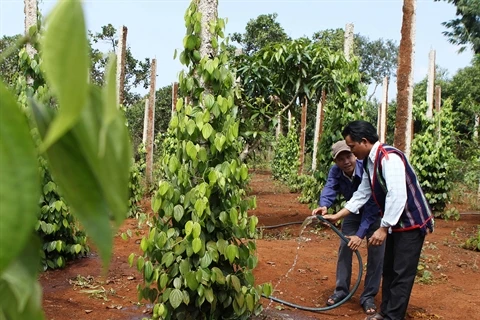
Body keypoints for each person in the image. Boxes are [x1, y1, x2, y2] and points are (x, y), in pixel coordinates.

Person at [321, 120, 434, 320]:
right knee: (389, 269)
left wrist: (383, 228)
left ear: (364, 141)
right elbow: (363, 193)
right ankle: (385, 312)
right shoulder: (369, 163)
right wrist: (338, 215)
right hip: (395, 223)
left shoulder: (389, 158)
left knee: (401, 273)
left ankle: (392, 316)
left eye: (352, 147)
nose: (352, 153)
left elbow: (397, 196)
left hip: (410, 223)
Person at [311, 140, 384, 315]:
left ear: (354, 155)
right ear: (336, 162)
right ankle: (341, 291)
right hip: (351, 213)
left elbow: (372, 203)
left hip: (375, 213)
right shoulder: (336, 171)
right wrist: (324, 205)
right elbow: (330, 188)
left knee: (376, 252)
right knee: (345, 247)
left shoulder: (367, 168)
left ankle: (368, 296)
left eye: (348, 156)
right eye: (340, 159)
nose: (346, 162)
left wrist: (360, 234)